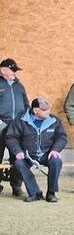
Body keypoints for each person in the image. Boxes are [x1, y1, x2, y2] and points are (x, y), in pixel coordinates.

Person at [6, 97, 67, 202]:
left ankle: (51, 193)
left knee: (56, 161)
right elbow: (11, 137)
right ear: (35, 110)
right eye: (44, 110)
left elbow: (62, 137)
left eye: (48, 109)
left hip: (47, 154)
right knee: (19, 163)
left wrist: (55, 150)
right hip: (27, 154)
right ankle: (35, 193)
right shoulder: (20, 120)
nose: (48, 111)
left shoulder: (55, 121)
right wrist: (18, 151)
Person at [1, 57, 29, 198]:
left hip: (17, 126)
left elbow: (26, 105)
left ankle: (16, 186)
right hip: (1, 125)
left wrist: (25, 120)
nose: (14, 73)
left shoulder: (19, 86)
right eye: (12, 70)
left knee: (17, 157)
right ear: (3, 70)